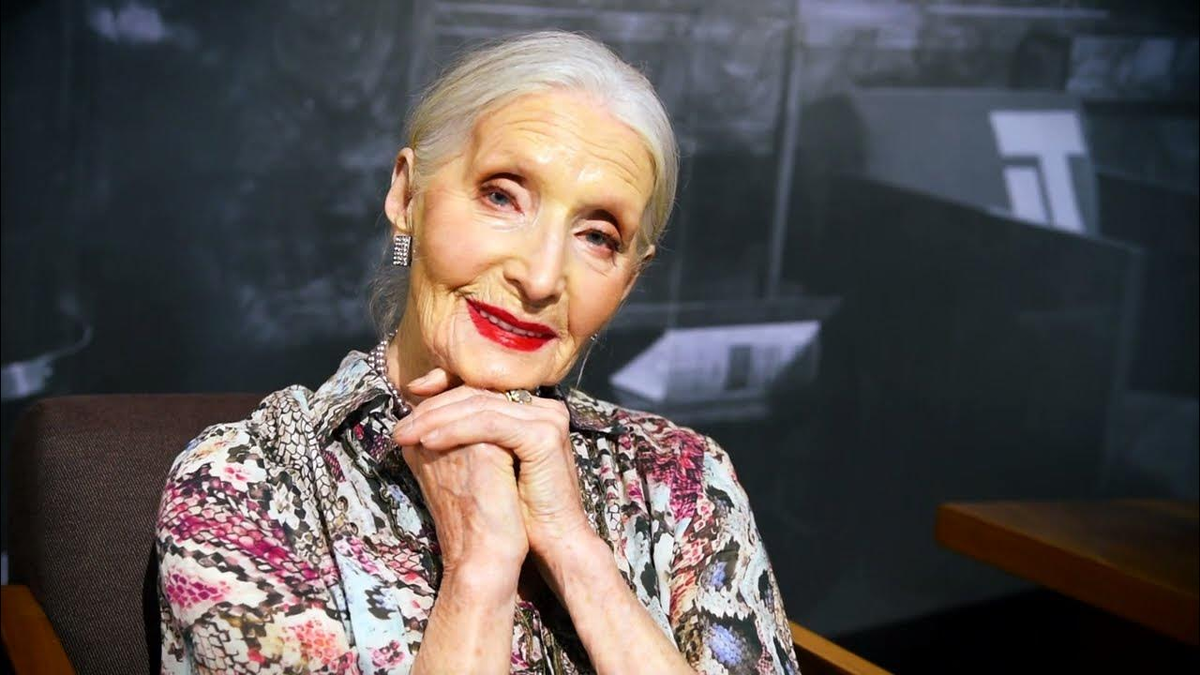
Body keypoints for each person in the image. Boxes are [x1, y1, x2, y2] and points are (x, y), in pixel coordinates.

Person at [156, 31, 799, 674]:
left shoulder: (683, 479)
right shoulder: (246, 487)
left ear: (629, 279)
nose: (541, 278)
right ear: (408, 196)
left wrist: (578, 556)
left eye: (597, 237)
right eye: (502, 196)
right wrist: (478, 571)